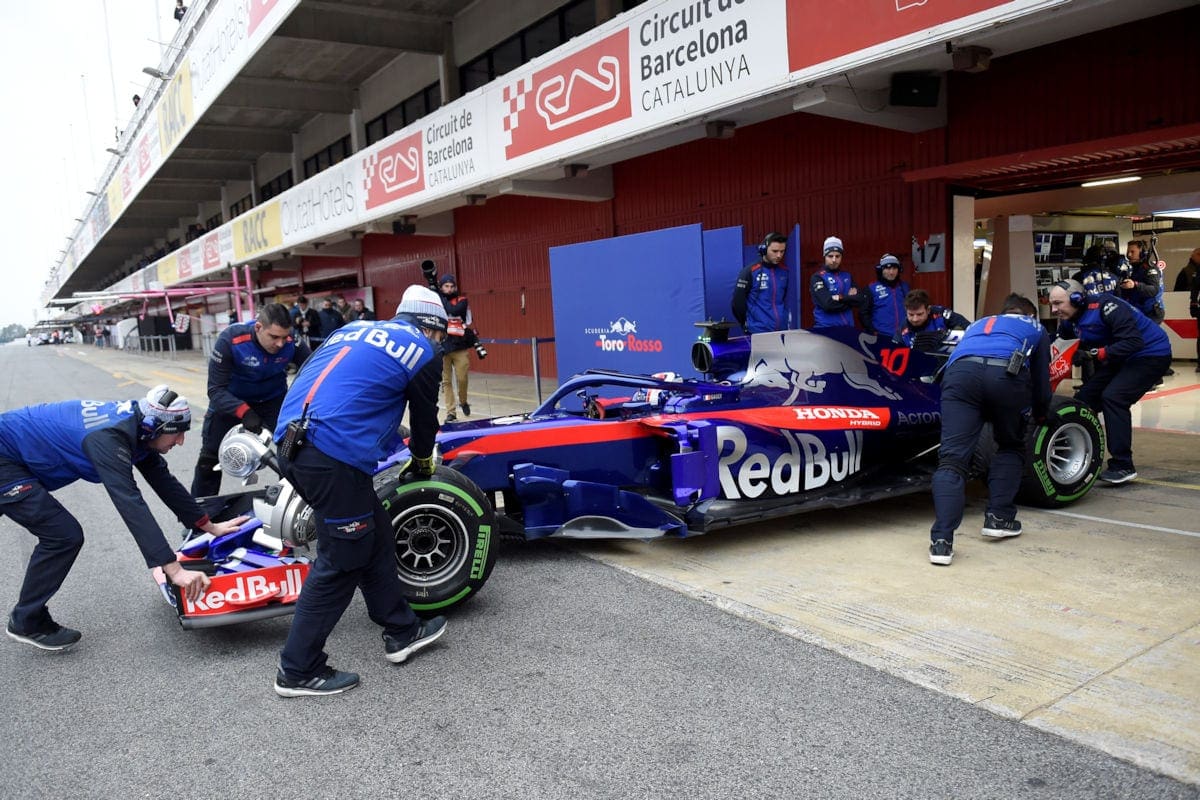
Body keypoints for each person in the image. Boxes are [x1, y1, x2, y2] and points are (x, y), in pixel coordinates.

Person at [271, 285, 450, 697]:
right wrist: (422, 461)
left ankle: (401, 629)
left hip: (292, 444)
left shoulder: (351, 330)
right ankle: (298, 670)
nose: (440, 343)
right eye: (441, 336)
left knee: (375, 531)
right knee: (341, 558)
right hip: (331, 458)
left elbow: (335, 386)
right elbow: (425, 422)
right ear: (433, 328)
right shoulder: (423, 351)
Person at [1, 385, 248, 650]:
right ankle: (27, 620)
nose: (180, 442)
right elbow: (130, 503)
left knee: (63, 533)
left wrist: (209, 526)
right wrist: (173, 569)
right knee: (63, 535)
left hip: (17, 457)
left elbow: (164, 481)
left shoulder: (140, 426)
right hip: (6, 458)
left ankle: (27, 617)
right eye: (176, 434)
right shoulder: (108, 438)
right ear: (154, 428)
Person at [928, 294, 1051, 566]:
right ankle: (999, 518)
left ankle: (941, 542)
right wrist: (1041, 412)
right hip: (1005, 375)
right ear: (1030, 314)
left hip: (959, 377)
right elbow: (1042, 379)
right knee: (1010, 445)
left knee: (952, 459)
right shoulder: (1036, 328)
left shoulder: (978, 324)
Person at [1048, 279, 1172, 485]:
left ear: (1077, 299)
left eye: (1058, 303)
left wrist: (1093, 354)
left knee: (1114, 398)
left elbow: (1134, 342)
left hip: (1151, 355)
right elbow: (1059, 342)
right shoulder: (1070, 320)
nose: (1053, 309)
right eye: (1051, 304)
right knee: (1083, 402)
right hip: (1121, 359)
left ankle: (1123, 465)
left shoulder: (1108, 307)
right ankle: (1084, 454)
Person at [191, 303, 309, 497]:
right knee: (208, 460)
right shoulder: (231, 339)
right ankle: (199, 515)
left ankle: (295, 501)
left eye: (284, 337)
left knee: (294, 453)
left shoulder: (292, 340)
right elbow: (215, 390)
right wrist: (243, 411)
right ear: (258, 327)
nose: (280, 343)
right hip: (231, 401)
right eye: (274, 337)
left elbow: (313, 370)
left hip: (273, 400)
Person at [731, 232, 789, 334]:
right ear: (763, 249)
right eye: (775, 251)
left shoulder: (784, 271)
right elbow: (737, 303)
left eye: (782, 251)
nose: (779, 255)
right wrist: (746, 324)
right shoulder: (750, 271)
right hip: (758, 331)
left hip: (781, 331)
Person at [810, 236, 872, 331]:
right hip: (826, 329)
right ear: (824, 256)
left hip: (848, 329)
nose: (834, 260)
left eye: (837, 256)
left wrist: (840, 298)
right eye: (830, 256)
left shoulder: (847, 276)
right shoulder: (817, 277)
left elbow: (860, 299)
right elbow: (828, 305)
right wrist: (850, 300)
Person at [438, 274, 474, 422]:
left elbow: (454, 310)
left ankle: (463, 401)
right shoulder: (436, 302)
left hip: (460, 346)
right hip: (443, 347)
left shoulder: (462, 300)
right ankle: (450, 412)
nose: (449, 289)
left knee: (462, 378)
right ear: (441, 287)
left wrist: (440, 297)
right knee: (446, 381)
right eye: (446, 286)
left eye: (452, 286)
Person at [899, 289, 971, 349]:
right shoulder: (903, 330)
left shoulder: (942, 314)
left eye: (919, 314)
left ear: (928, 310)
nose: (915, 319)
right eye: (911, 314)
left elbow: (970, 328)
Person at [865, 254, 909, 339]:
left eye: (894, 268)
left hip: (903, 336)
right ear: (881, 270)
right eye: (888, 268)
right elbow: (864, 313)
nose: (891, 272)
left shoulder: (905, 287)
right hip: (882, 336)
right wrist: (872, 331)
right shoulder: (871, 288)